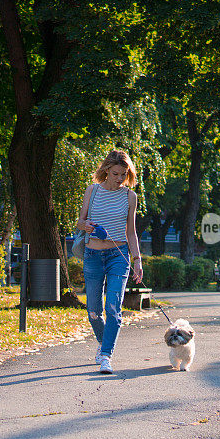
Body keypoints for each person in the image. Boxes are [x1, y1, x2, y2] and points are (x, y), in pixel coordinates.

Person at [76, 150, 143, 374]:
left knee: (113, 307)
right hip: (93, 255)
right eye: (115, 173)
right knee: (93, 310)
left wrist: (137, 260)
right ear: (106, 170)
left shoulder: (129, 197)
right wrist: (84, 226)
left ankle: (106, 355)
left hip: (118, 255)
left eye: (124, 174)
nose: (119, 178)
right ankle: (104, 342)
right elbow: (80, 220)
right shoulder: (92, 190)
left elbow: (131, 232)